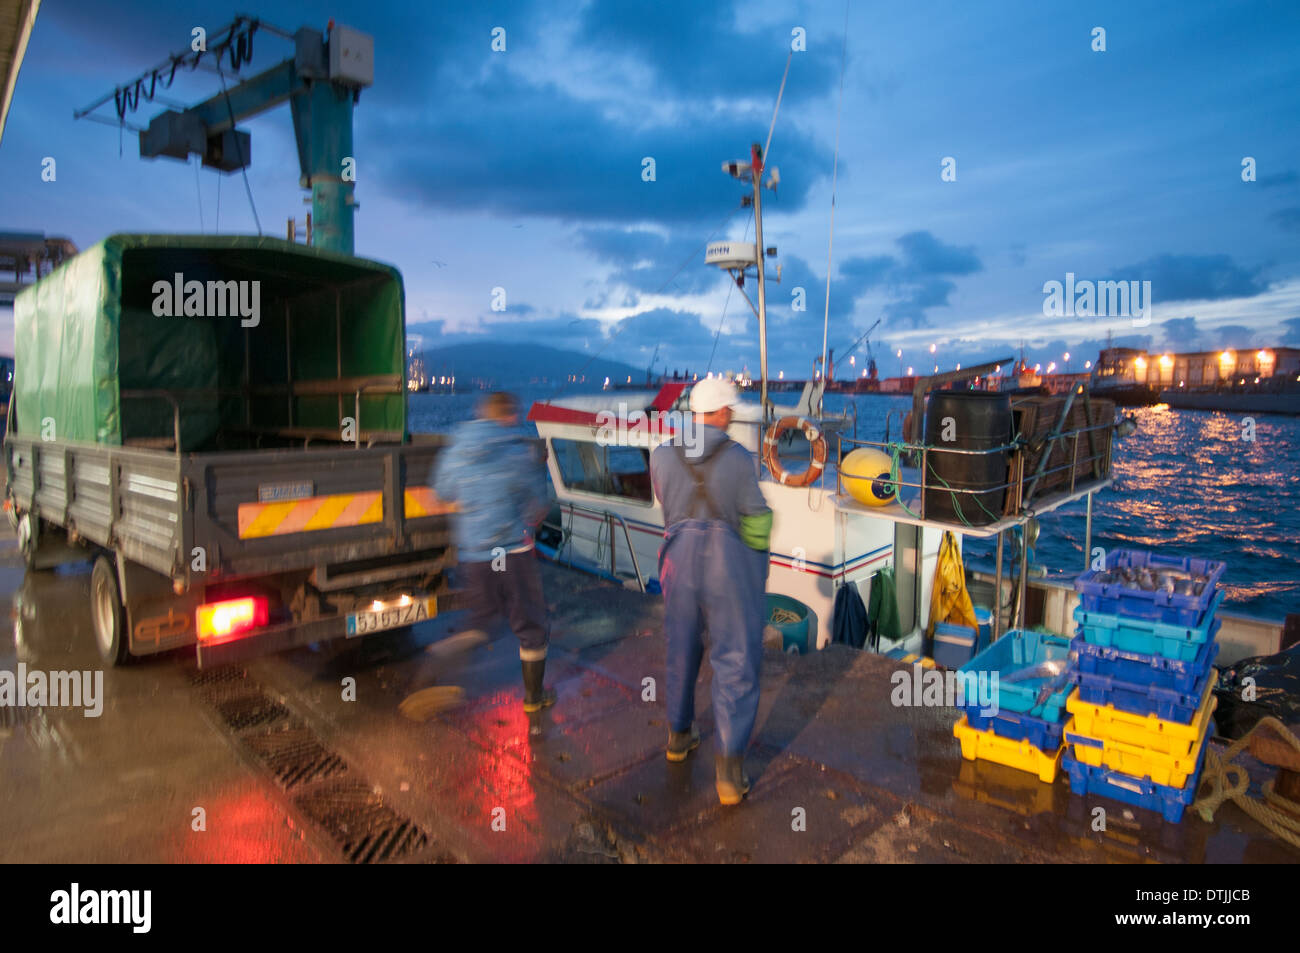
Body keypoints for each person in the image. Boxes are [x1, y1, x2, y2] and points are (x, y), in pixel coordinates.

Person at [650, 377, 772, 805]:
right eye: (730, 411)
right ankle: (728, 776)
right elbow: (756, 520)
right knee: (735, 657)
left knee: (681, 648)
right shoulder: (739, 457)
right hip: (725, 565)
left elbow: (668, 508)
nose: (732, 417)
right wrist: (756, 573)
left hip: (678, 562)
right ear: (721, 412)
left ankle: (679, 736)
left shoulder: (662, 453)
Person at [430, 391, 555, 713]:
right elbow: (539, 505)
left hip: (474, 555)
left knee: (482, 621)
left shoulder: (457, 448)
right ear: (508, 416)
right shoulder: (516, 451)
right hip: (511, 553)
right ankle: (533, 698)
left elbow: (442, 492)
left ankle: (449, 650)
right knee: (530, 625)